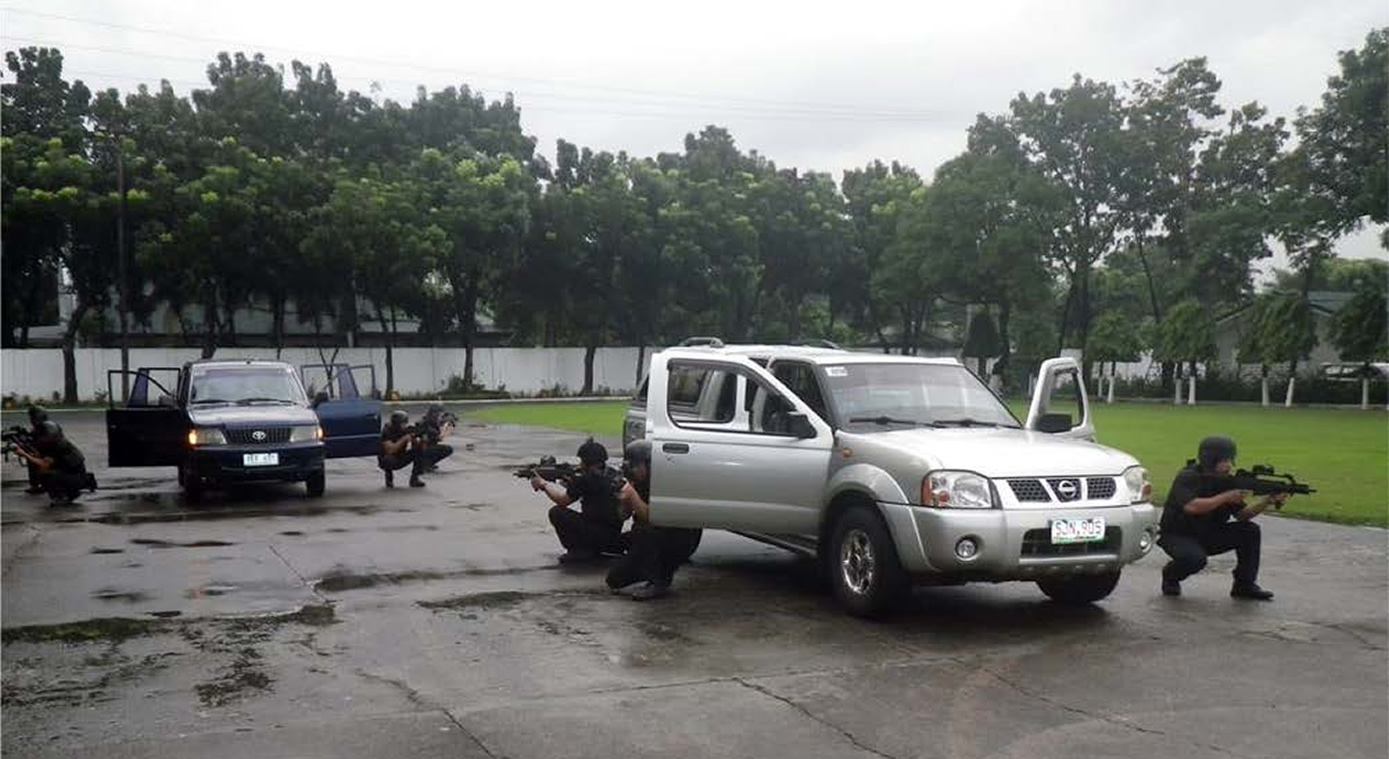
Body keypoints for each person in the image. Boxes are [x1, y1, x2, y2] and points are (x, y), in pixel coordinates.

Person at [1157, 436, 1288, 601]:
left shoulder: (1227, 482)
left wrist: (1267, 501)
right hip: (1178, 535)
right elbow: (1192, 506)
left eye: (1231, 460)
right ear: (1210, 460)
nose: (1230, 465)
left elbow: (1242, 515)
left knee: (1250, 531)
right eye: (1225, 460)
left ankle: (1244, 585)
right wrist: (1225, 497)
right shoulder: (1188, 476)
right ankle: (1171, 576)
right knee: (1195, 559)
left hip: (1209, 534)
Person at [606, 440, 701, 601]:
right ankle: (652, 569)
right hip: (650, 540)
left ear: (649, 464)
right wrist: (623, 498)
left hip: (679, 539)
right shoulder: (636, 483)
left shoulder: (664, 483)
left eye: (637, 465)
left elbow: (651, 517)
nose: (634, 470)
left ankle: (659, 580)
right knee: (614, 580)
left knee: (644, 530)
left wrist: (632, 494)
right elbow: (623, 516)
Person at [530, 439, 624, 563]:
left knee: (557, 512)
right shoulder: (613, 473)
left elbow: (562, 501)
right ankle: (590, 549)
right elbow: (594, 492)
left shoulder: (587, 479)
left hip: (598, 534)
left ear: (587, 461)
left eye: (582, 461)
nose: (580, 464)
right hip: (614, 535)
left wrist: (544, 485)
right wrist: (571, 483)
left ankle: (579, 550)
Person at [12, 421, 96, 505]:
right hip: (71, 474)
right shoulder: (55, 443)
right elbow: (40, 456)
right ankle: (69, 493)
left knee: (47, 475)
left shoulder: (60, 445)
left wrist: (24, 454)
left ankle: (63, 496)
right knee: (43, 471)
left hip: (77, 477)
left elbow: (43, 464)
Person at [378, 410, 424, 488]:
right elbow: (390, 451)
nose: (405, 425)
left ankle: (414, 479)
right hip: (388, 460)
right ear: (397, 423)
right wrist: (404, 439)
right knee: (387, 459)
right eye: (403, 423)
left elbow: (416, 447)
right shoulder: (387, 430)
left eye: (405, 423)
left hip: (400, 456)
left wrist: (416, 439)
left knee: (419, 451)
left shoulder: (406, 430)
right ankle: (389, 478)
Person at [414, 404, 456, 474]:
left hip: (423, 448)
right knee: (448, 449)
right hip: (422, 449)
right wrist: (447, 429)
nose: (440, 416)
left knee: (437, 448)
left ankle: (428, 463)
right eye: (439, 414)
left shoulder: (428, 420)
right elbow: (439, 438)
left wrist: (447, 423)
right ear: (434, 413)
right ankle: (425, 464)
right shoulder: (426, 424)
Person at [23, 405, 48, 494]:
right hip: (48, 453)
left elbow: (39, 442)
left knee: (32, 458)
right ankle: (37, 484)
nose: (31, 419)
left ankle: (39, 485)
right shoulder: (41, 426)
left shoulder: (44, 427)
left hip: (50, 455)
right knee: (32, 456)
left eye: (32, 417)